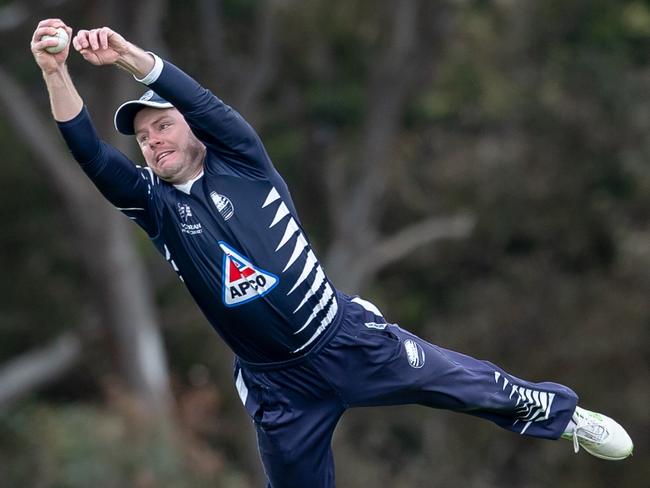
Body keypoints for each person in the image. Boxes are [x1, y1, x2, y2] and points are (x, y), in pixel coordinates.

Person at [31, 18, 633, 487]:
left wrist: (132, 58)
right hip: (277, 389)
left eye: (161, 125)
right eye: (141, 137)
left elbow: (202, 100)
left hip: (344, 339)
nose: (152, 140)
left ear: (191, 128)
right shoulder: (156, 208)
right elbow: (89, 154)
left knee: (465, 383)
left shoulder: (242, 159)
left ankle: (561, 416)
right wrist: (56, 71)